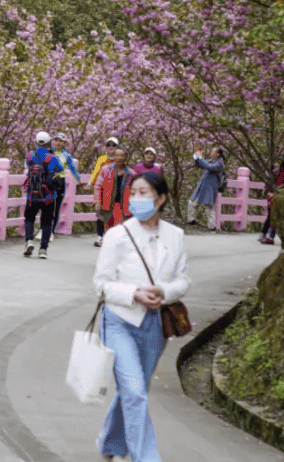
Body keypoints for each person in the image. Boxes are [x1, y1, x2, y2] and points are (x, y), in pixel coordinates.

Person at [94, 171, 190, 462]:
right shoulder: (117, 235)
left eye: (144, 193)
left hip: (154, 326)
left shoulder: (176, 236)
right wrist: (134, 293)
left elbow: (183, 281)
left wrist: (162, 290)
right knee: (134, 391)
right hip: (119, 320)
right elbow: (101, 283)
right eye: (133, 193)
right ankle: (146, 458)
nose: (136, 199)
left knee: (133, 391)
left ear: (161, 199)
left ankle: (111, 444)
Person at [23, 131, 64, 259]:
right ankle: (43, 250)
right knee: (46, 222)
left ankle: (29, 241)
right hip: (48, 196)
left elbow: (28, 167)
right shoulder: (52, 158)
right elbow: (60, 168)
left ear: (36, 141)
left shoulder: (29, 155)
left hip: (32, 194)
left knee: (29, 218)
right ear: (48, 142)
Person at [95, 147, 132, 241]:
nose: (120, 158)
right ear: (114, 157)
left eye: (122, 155)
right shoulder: (105, 169)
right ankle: (100, 237)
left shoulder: (131, 173)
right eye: (117, 155)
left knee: (118, 227)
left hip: (121, 203)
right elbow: (98, 186)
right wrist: (97, 201)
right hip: (106, 200)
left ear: (126, 157)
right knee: (103, 218)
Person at [88, 137, 120, 246]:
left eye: (113, 146)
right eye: (108, 145)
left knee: (115, 215)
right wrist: (90, 183)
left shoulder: (119, 159)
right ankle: (100, 236)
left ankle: (112, 237)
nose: (111, 148)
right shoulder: (102, 159)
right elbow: (96, 171)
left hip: (115, 191)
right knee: (101, 214)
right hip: (103, 190)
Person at [50, 132, 82, 236]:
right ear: (53, 141)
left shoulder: (67, 155)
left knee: (56, 206)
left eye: (61, 141)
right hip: (48, 181)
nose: (58, 143)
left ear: (64, 143)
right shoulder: (48, 152)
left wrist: (80, 180)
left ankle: (51, 230)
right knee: (46, 206)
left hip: (60, 181)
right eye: (56, 140)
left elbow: (73, 169)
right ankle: (44, 228)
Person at [187, 146, 225, 229]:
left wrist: (201, 158)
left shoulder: (220, 163)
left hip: (211, 187)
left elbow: (209, 167)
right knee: (192, 202)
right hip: (202, 185)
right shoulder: (211, 161)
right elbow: (201, 165)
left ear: (218, 154)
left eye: (212, 151)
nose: (211, 153)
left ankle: (211, 226)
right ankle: (191, 220)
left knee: (209, 207)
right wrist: (197, 157)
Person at [261, 160, 284, 244]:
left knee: (273, 218)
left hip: (275, 198)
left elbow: (271, 186)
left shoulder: (276, 174)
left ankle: (270, 237)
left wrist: (269, 196)